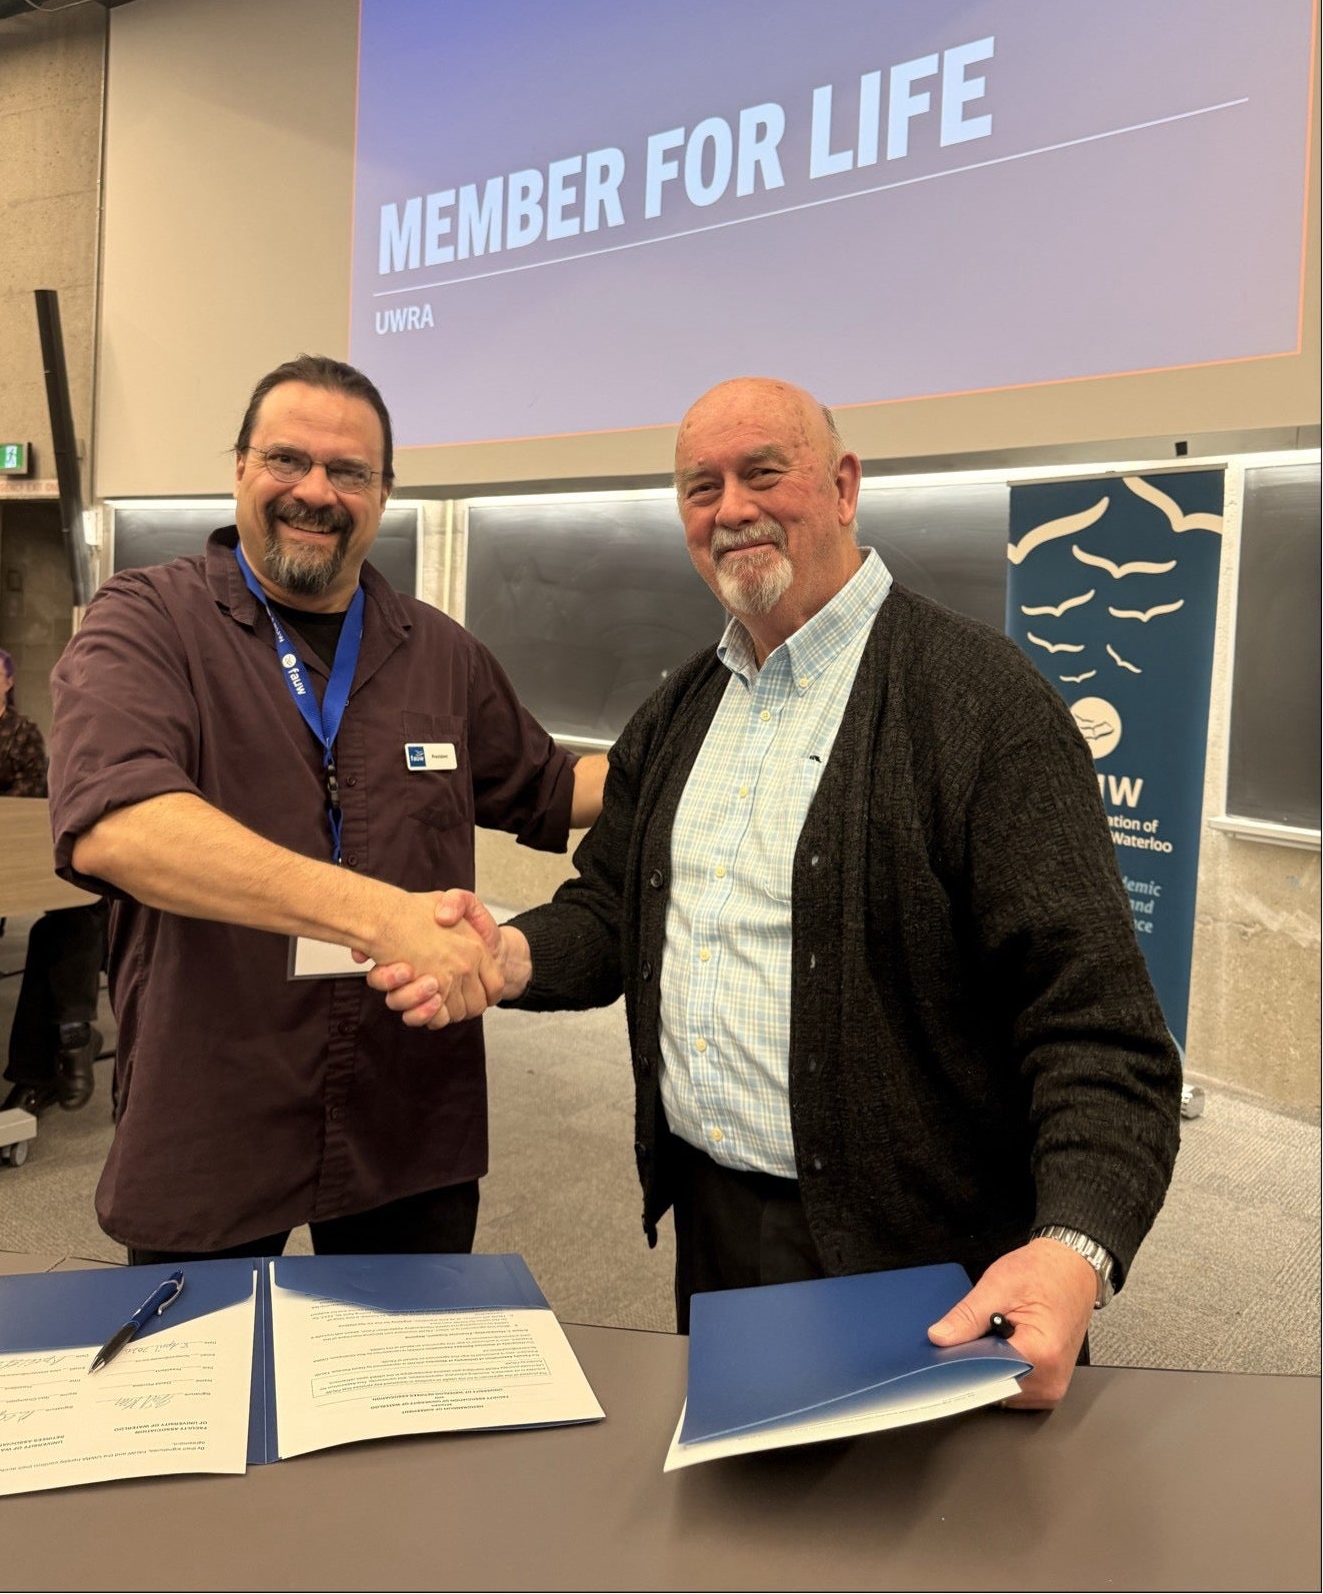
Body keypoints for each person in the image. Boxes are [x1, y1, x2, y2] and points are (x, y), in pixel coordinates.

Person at [372, 377, 1183, 1410]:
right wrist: (507, 958)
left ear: (844, 487)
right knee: (737, 1538)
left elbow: (1101, 1033)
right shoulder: (681, 709)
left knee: (922, 1552)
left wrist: (1074, 1250)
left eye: (763, 473)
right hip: (716, 1226)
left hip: (923, 1254)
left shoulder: (984, 707)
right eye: (699, 487)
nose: (731, 509)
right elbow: (614, 909)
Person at [49, 354, 605, 1266]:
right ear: (238, 469)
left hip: (407, 1108)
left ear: (383, 494)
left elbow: (552, 786)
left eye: (349, 472)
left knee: (397, 1393)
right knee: (207, 1394)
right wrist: (388, 916)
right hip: (215, 1100)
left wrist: (704, 743)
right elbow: (121, 824)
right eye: (287, 461)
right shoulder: (147, 621)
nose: (316, 491)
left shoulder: (441, 653)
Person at [0, 646, 106, 1114]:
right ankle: (69, 1040)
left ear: (8, 683)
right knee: (68, 918)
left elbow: (32, 799)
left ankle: (64, 1044)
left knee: (73, 912)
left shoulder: (22, 732)